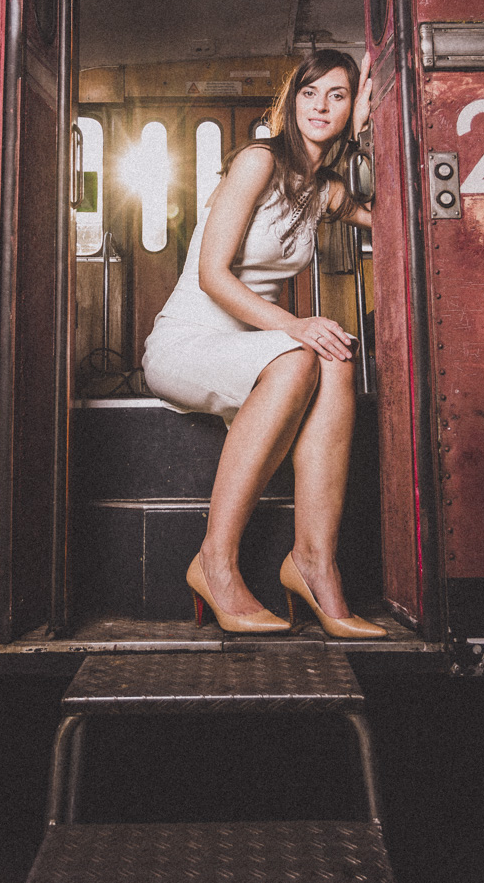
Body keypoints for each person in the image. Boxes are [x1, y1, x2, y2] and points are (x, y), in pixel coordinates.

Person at [142, 49, 386, 638]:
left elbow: (390, 218)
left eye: (338, 95)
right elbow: (212, 275)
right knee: (306, 350)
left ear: (352, 108)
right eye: (310, 93)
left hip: (256, 354)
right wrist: (295, 325)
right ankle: (215, 563)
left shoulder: (323, 191)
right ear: (290, 102)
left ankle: (313, 564)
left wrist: (378, 125)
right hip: (188, 345)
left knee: (335, 360)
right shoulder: (258, 161)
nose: (321, 106)